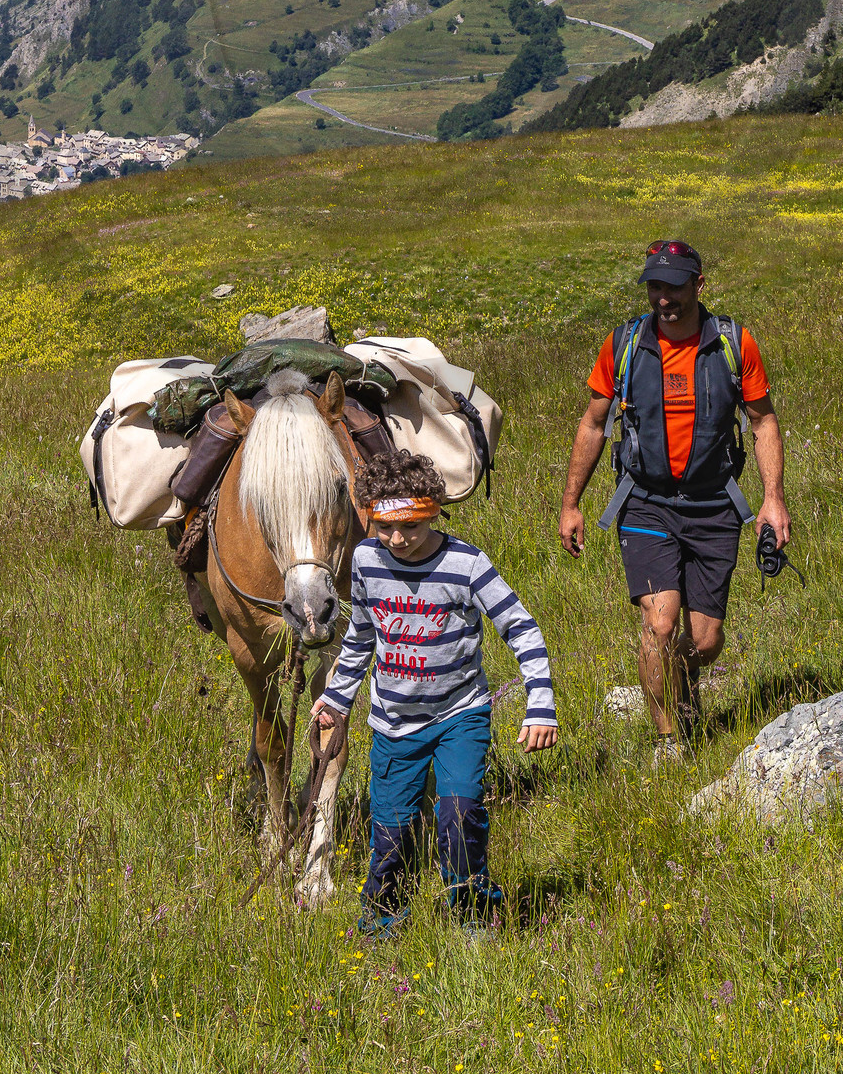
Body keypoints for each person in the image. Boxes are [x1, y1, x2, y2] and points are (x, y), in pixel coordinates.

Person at [558, 238, 790, 760]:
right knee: (659, 622)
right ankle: (669, 743)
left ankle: (684, 685)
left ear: (699, 285)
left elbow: (763, 421)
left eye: (674, 286)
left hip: (713, 506)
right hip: (646, 501)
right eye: (654, 286)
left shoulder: (734, 343)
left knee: (704, 642)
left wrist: (772, 500)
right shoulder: (624, 345)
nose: (663, 297)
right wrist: (571, 502)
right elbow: (594, 423)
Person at [314, 449, 558, 938]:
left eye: (411, 527)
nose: (397, 539)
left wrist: (540, 705)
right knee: (390, 833)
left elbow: (522, 628)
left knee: (460, 811)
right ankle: (383, 926)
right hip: (393, 724)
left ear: (433, 513)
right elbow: (361, 636)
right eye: (384, 526)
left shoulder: (465, 564)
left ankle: (474, 913)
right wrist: (337, 701)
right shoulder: (365, 560)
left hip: (459, 714)